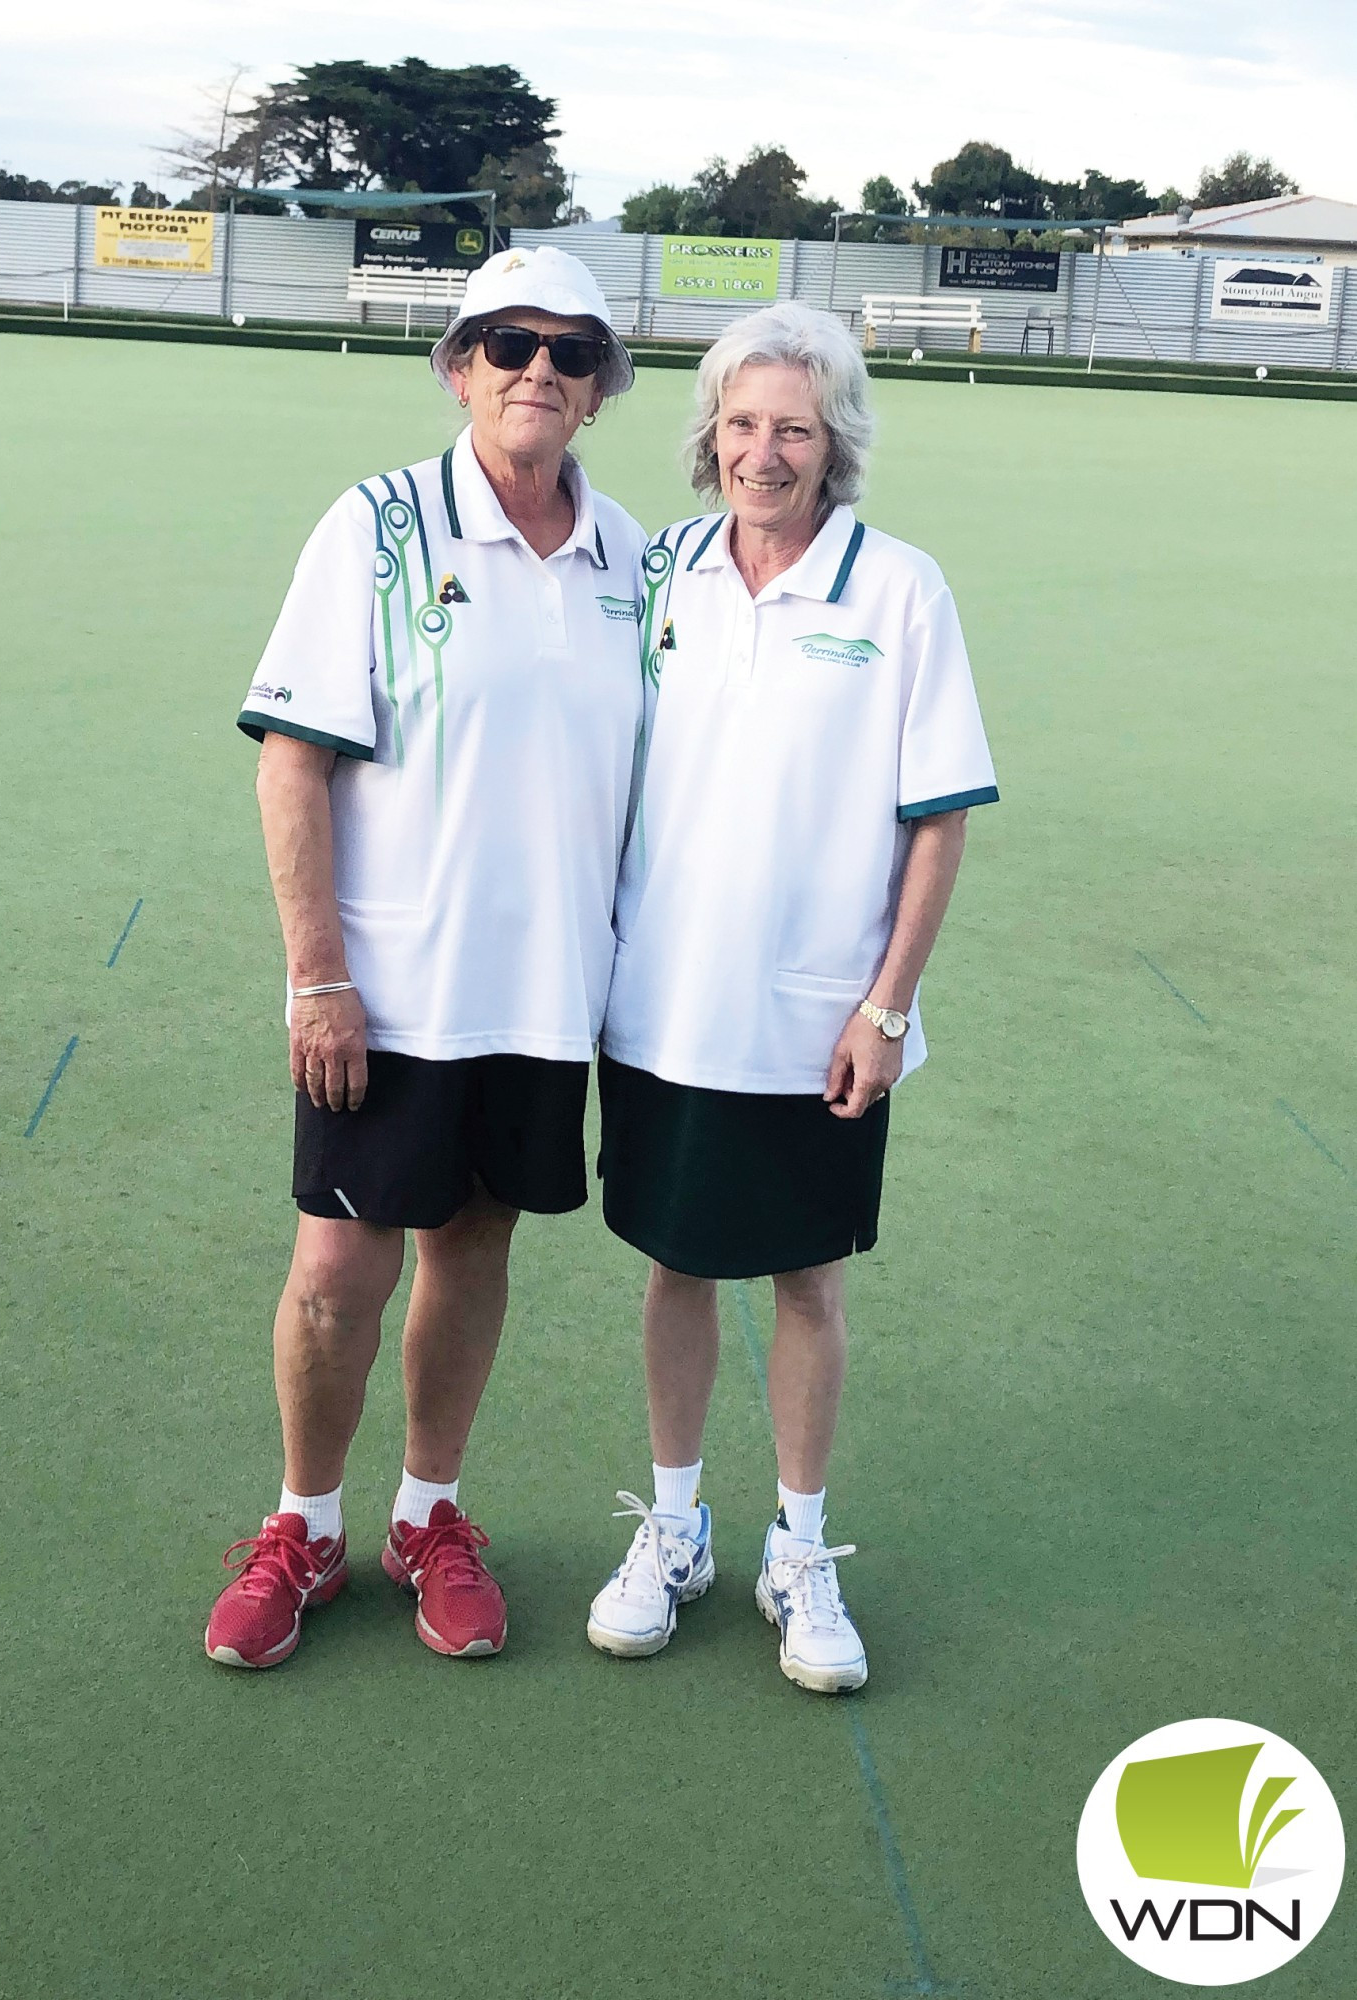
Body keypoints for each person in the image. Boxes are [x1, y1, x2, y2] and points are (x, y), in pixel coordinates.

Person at [206, 246, 645, 1669]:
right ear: (460, 365)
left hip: (545, 997)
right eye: (508, 342)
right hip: (387, 994)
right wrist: (317, 974)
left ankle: (428, 1517)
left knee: (474, 1248)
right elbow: (293, 764)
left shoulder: (635, 557)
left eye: (571, 350)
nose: (539, 368)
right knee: (340, 1269)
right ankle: (306, 1525)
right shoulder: (377, 526)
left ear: (597, 390)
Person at [586, 300, 998, 1694]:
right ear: (711, 436)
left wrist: (885, 1008)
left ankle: (800, 1549)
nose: (765, 454)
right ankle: (677, 1529)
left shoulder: (901, 590)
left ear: (837, 447)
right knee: (675, 1265)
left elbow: (936, 823)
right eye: (745, 425)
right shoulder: (662, 573)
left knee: (806, 1278)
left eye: (796, 431)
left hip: (822, 1013)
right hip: (664, 1002)